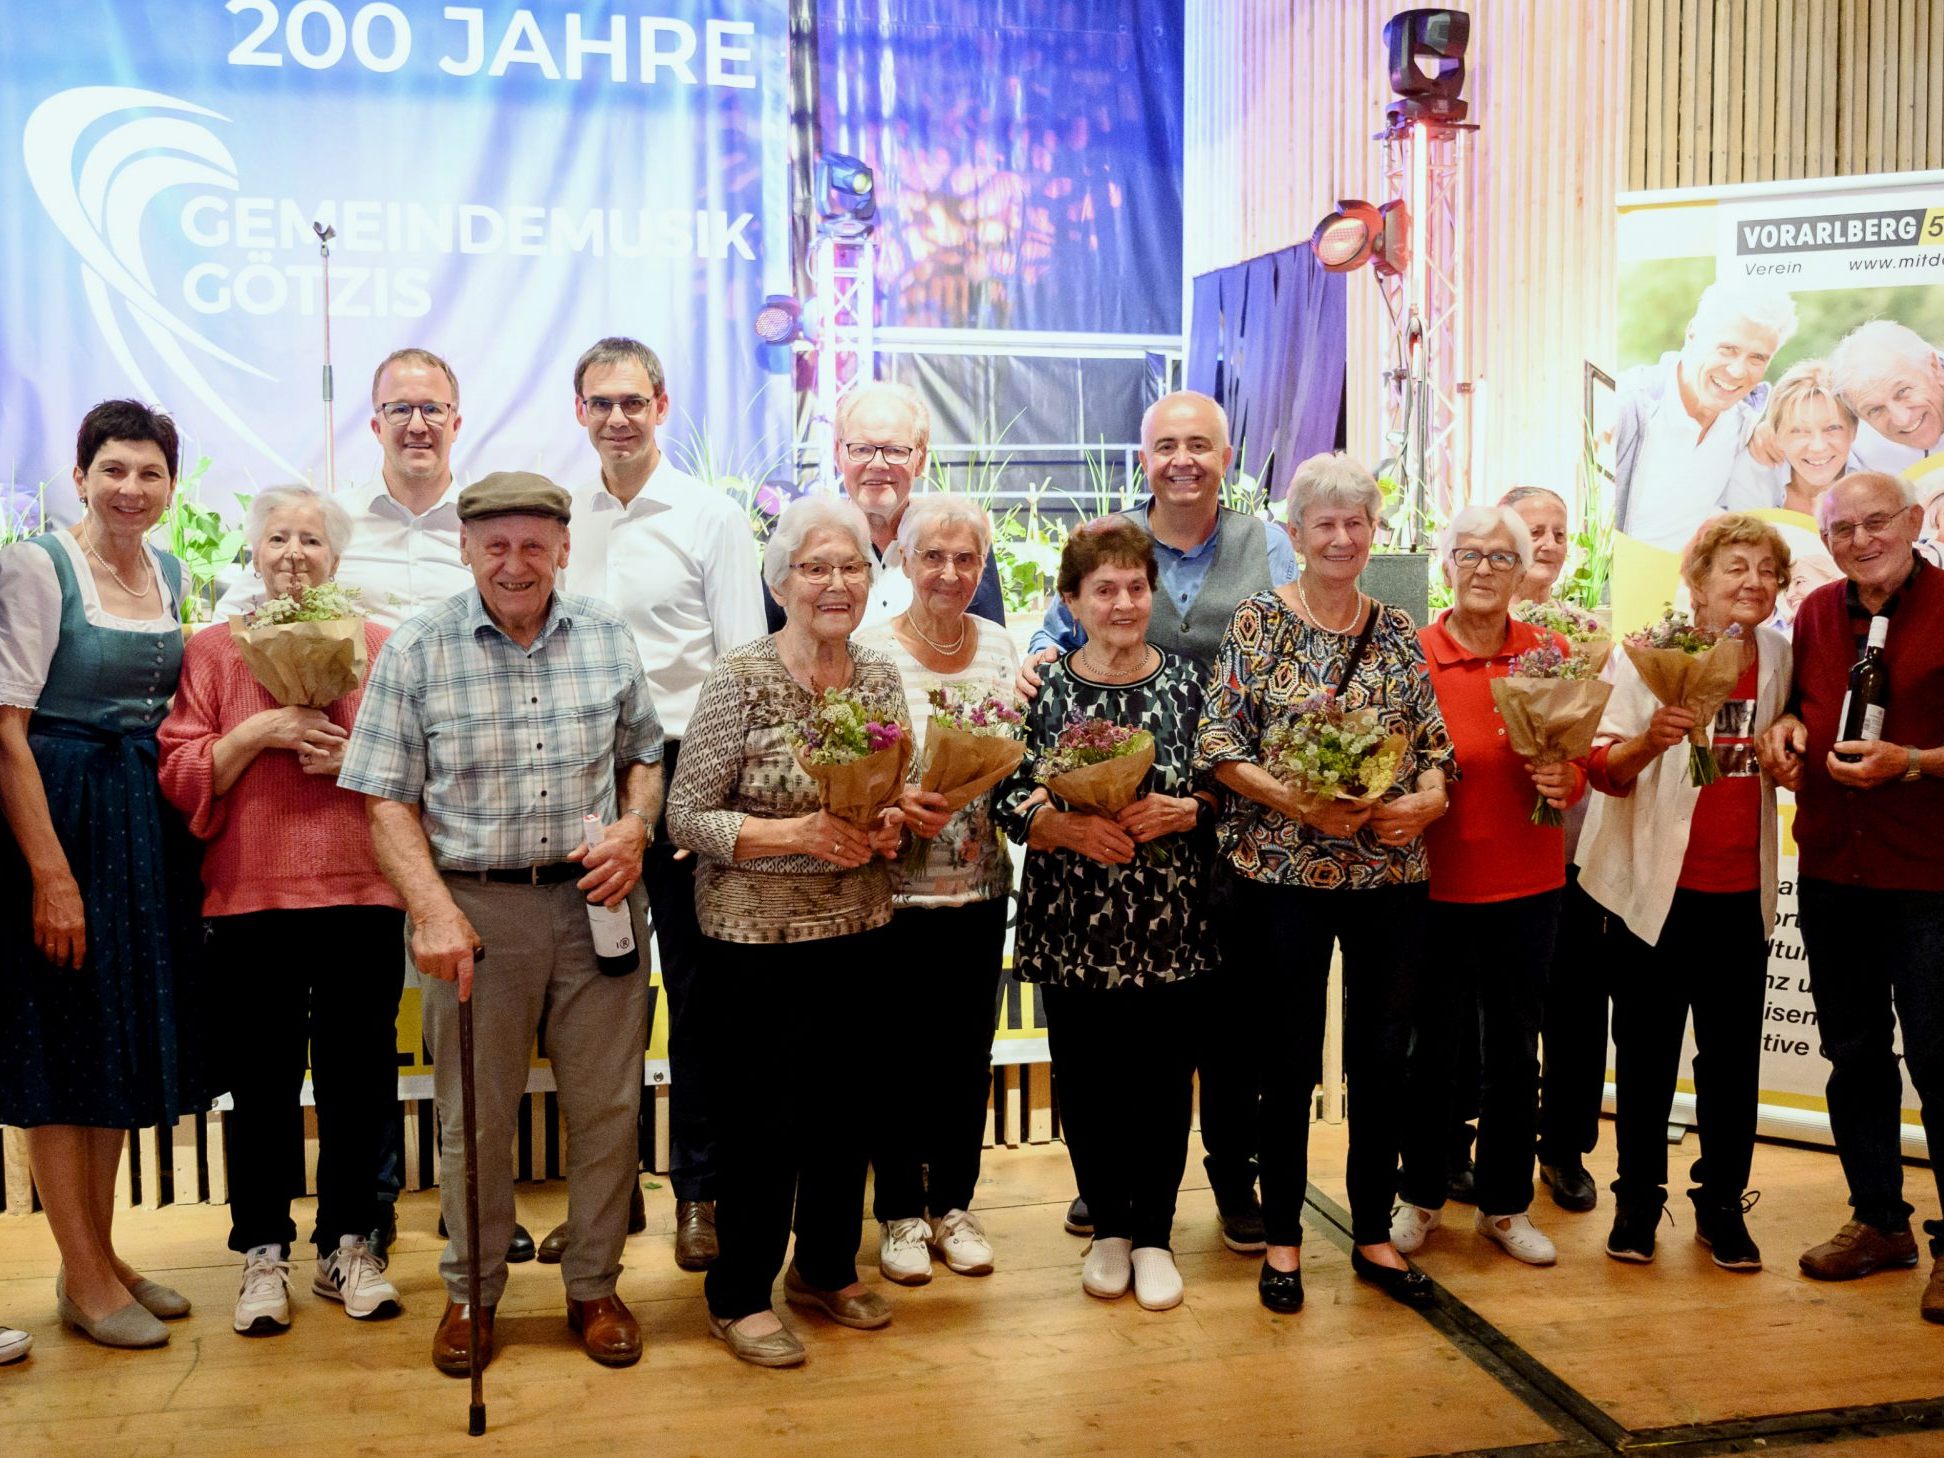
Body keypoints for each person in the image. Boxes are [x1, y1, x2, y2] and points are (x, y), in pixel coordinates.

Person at [211, 347, 534, 1264]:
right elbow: (257, 616)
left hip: (471, 804)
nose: (418, 424)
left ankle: (478, 1213)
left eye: (433, 408)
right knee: (357, 1045)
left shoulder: (483, 528)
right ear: (376, 421)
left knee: (460, 1017)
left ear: (457, 420)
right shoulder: (332, 521)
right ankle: (370, 1219)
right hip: (354, 820)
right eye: (401, 409)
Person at [338, 472, 664, 1374]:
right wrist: (433, 908)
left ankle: (594, 1286)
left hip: (598, 901)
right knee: (473, 1119)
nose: (515, 564)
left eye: (533, 545)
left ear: (563, 548)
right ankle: (472, 1295)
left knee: (608, 1109)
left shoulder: (606, 635)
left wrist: (637, 827)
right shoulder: (416, 648)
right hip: (475, 909)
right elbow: (385, 802)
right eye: (496, 545)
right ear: (467, 548)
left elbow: (643, 752)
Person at [1021, 389, 1299, 1250]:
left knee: (1223, 1030)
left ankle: (1225, 1181)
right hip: (1105, 870)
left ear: (1225, 457)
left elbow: (1295, 647)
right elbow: (1048, 648)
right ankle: (1112, 1196)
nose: (1183, 459)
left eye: (1200, 445)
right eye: (1165, 445)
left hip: (1233, 827)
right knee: (1104, 1051)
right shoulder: (1111, 549)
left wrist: (1211, 797)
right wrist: (1036, 670)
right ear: (1144, 458)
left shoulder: (1267, 543)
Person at [1194, 452, 1455, 1313]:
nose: (1342, 539)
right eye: (1325, 525)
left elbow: (1436, 756)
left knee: (1384, 1059)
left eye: (1357, 524)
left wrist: (1422, 803)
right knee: (1288, 1061)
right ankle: (1283, 1241)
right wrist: (1299, 804)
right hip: (1281, 877)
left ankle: (1373, 1232)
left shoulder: (1396, 629)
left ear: (1373, 534)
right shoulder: (1258, 623)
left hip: (1389, 876)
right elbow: (1219, 745)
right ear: (1296, 534)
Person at [158, 485, 406, 1335]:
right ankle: (263, 1251)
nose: (294, 552)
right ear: (253, 552)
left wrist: (351, 757)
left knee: (359, 1080)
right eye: (277, 538)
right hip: (249, 896)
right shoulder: (217, 651)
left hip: (361, 890)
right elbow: (182, 769)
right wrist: (262, 732)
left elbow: (413, 769)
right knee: (260, 1085)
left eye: (311, 539)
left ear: (337, 558)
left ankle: (350, 1242)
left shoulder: (378, 646)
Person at [667, 496, 907, 1368]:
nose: (835, 584)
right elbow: (686, 816)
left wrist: (889, 827)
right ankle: (737, 1295)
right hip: (754, 942)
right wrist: (795, 834)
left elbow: (891, 795)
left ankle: (826, 1269)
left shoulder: (879, 676)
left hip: (861, 924)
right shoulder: (740, 678)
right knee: (761, 1124)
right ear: (781, 584)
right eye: (815, 568)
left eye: (850, 568)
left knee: (847, 1112)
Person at [552, 336, 769, 1271]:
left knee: (700, 998)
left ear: (662, 404)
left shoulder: (711, 517)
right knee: (595, 1005)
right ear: (580, 414)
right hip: (583, 780)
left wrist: (705, 799)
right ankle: (607, 1202)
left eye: (631, 402)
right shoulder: (562, 521)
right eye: (599, 403)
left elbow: (741, 665)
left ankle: (701, 1197)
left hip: (686, 772)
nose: (616, 418)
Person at [0, 400, 208, 1349]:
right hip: (61, 813)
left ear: (170, 487)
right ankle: (80, 1275)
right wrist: (50, 873)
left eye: (149, 472)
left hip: (140, 826)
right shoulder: (38, 566)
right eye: (113, 469)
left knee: (114, 1039)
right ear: (80, 474)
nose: (131, 488)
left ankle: (107, 1254)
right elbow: (6, 729)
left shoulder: (169, 571)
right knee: (58, 1044)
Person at [994, 517, 1215, 1311]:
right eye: (1104, 590)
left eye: (1135, 587)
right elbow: (1001, 789)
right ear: (1072, 601)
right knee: (1086, 1081)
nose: (1123, 603)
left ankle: (1155, 1233)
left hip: (1170, 922)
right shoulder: (1043, 687)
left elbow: (1224, 786)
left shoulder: (1193, 683)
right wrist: (1056, 824)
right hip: (1073, 918)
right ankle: (1111, 1227)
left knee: (1161, 1082)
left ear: (1152, 593)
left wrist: (1186, 811)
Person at [1579, 514, 1793, 1268]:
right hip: (1653, 893)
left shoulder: (1778, 656)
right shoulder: (1646, 656)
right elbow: (1601, 767)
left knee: (1733, 1062)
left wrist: (1790, 743)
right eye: (1736, 567)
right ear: (1697, 579)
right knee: (1643, 1055)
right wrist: (1653, 737)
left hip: (1740, 895)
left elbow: (1785, 739)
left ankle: (1723, 1205)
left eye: (1767, 571)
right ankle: (1638, 1203)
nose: (1753, 583)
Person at [1756, 472, 1944, 1324]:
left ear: (1913, 521)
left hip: (1930, 875)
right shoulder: (1818, 612)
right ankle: (1879, 1222)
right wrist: (1788, 729)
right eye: (1842, 529)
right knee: (1855, 1054)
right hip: (1835, 870)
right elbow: (1802, 707)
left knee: (1943, 1061)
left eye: (1877, 522)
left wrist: (1913, 762)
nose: (1862, 539)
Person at [1392, 506, 1583, 1267]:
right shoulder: (1411, 654)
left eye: (1501, 558)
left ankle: (1505, 1206)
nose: (1484, 570)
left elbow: (1579, 763)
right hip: (1431, 886)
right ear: (1447, 566)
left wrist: (1565, 775)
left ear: (1521, 569)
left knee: (1514, 1051)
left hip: (1529, 883)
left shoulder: (1550, 653)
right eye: (1469, 555)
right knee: (1431, 1053)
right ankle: (1420, 1196)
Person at [855, 495, 1020, 1286]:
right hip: (891, 895)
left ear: (982, 568)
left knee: (964, 1054)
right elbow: (845, 774)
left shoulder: (998, 646)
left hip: (980, 887)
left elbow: (1009, 756)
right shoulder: (869, 651)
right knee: (890, 1057)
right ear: (903, 563)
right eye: (933, 557)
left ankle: (954, 1203)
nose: (950, 573)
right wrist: (892, 805)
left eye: (966, 559)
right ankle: (897, 1214)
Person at [1501, 485, 1608, 1213]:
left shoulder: (1590, 636)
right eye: (1532, 530)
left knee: (1574, 1006)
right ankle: (1471, 1142)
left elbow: (1604, 745)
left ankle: (1564, 1148)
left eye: (1559, 531)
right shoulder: (1472, 629)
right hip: (1490, 855)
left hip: (1571, 853)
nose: (1547, 542)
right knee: (1493, 1017)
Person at [1612, 282, 1797, 551]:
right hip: (1615, 586)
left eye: (1757, 358)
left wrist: (1764, 427)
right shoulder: (1627, 408)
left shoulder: (1746, 420)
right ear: (1692, 335)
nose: (1737, 371)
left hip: (1683, 587)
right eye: (1727, 349)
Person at [831, 380, 1006, 628]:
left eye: (895, 450)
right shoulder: (806, 545)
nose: (878, 464)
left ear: (921, 460)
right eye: (861, 449)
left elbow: (989, 648)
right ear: (837, 453)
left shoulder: (959, 544)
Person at [1726, 360, 1861, 518]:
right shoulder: (1753, 473)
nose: (1818, 447)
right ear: (1776, 435)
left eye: (1832, 428)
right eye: (1799, 431)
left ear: (1854, 430)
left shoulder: (1877, 477)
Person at [1829, 319, 1944, 469]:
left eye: (1903, 391)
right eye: (1876, 409)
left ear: (1934, 368)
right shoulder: (1857, 451)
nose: (1902, 420)